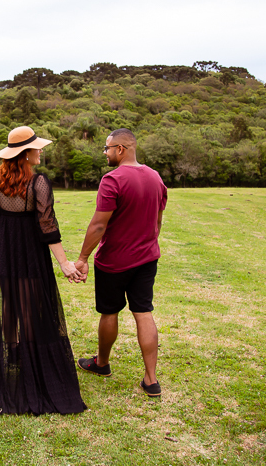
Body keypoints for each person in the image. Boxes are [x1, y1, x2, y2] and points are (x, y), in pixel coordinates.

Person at [0, 126, 87, 415]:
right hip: (28, 252)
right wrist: (64, 263)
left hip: (4, 250)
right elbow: (47, 226)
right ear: (25, 153)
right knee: (30, 308)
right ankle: (29, 370)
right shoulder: (38, 182)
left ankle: (8, 365)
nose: (40, 151)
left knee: (9, 308)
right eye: (37, 148)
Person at [75, 128, 168, 397]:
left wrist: (82, 258)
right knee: (143, 312)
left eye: (107, 148)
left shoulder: (112, 179)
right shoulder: (155, 177)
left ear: (120, 149)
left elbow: (98, 225)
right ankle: (151, 380)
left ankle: (102, 363)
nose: (105, 153)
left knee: (110, 312)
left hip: (114, 261)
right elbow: (158, 222)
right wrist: (146, 245)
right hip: (147, 259)